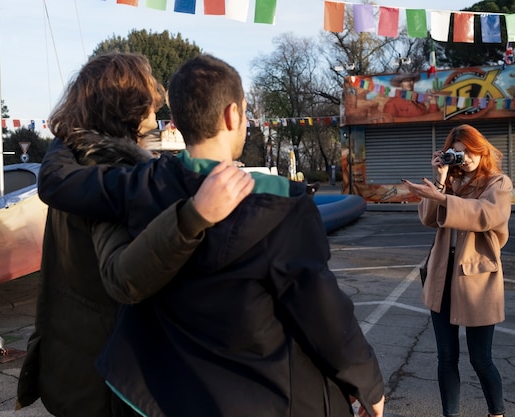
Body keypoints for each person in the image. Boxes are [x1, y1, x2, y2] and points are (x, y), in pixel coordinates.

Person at [34, 54, 386, 417]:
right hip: (257, 395)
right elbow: (322, 313)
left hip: (161, 389)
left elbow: (59, 183)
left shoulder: (136, 185)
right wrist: (367, 382)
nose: (153, 119)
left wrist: (68, 132)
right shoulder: (282, 204)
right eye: (148, 109)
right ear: (233, 114)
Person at [16, 52, 254, 417]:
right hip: (108, 383)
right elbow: (125, 277)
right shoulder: (109, 175)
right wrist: (193, 217)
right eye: (150, 106)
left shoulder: (75, 164)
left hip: (72, 366)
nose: (156, 117)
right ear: (126, 109)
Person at [402, 124, 511, 417]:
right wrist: (439, 181)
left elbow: (485, 216)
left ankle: (496, 413)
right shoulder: (449, 182)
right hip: (441, 273)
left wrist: (443, 197)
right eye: (457, 152)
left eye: (469, 151)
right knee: (446, 357)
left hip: (477, 278)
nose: (465, 158)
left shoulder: (498, 183)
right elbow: (427, 218)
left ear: (481, 149)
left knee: (481, 359)